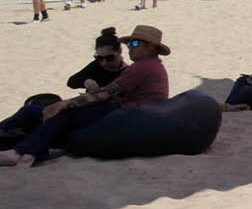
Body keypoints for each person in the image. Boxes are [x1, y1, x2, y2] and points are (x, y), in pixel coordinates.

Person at [1, 23, 171, 168]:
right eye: (129, 44)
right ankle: (23, 147)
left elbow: (104, 94)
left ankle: (22, 153)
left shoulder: (142, 67)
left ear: (150, 46)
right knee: (34, 111)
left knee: (62, 112)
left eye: (134, 43)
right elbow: (77, 82)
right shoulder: (151, 66)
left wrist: (64, 103)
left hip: (126, 116)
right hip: (126, 113)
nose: (130, 48)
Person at [1, 28, 126, 145]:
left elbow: (121, 102)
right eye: (99, 58)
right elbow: (72, 82)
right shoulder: (97, 65)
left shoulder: (127, 73)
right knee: (31, 110)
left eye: (109, 58)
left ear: (120, 51)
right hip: (82, 110)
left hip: (94, 117)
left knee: (38, 114)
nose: (104, 62)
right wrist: (86, 81)